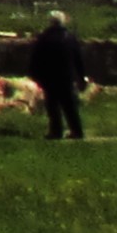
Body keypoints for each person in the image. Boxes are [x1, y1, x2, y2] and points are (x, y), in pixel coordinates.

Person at [27, 9, 89, 141]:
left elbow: (36, 58)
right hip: (67, 76)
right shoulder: (70, 38)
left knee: (52, 106)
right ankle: (77, 131)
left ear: (50, 22)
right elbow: (78, 59)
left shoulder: (44, 38)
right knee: (70, 105)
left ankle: (56, 131)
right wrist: (81, 76)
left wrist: (35, 74)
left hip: (50, 76)